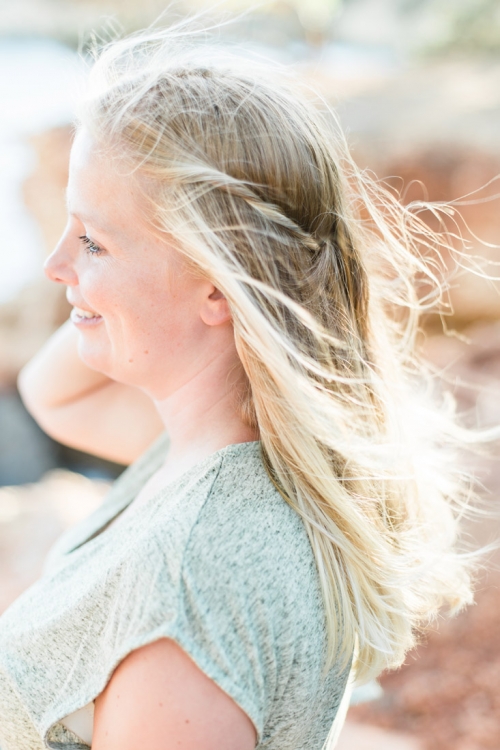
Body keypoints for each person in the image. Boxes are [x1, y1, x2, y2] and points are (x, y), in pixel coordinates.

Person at [0, 23, 475, 750]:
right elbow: (47, 392)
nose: (53, 264)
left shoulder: (192, 580)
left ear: (218, 287)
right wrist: (119, 263)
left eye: (92, 240)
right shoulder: (216, 442)